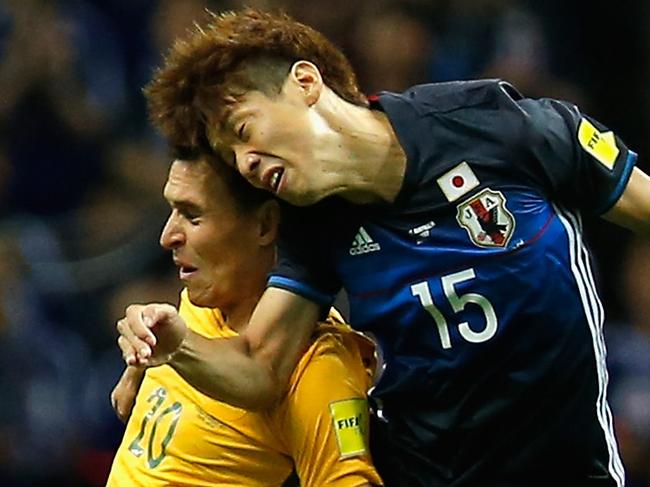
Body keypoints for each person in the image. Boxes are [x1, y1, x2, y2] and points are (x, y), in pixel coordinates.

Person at [116, 8, 650, 487]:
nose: (246, 162)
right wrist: (175, 348)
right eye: (231, 155)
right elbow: (260, 366)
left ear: (305, 83)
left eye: (243, 129)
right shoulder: (313, 223)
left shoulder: (495, 126)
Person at [107, 152, 382, 486]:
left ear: (265, 225)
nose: (167, 237)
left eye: (192, 216)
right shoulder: (203, 303)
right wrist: (142, 359)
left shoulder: (318, 369)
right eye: (172, 210)